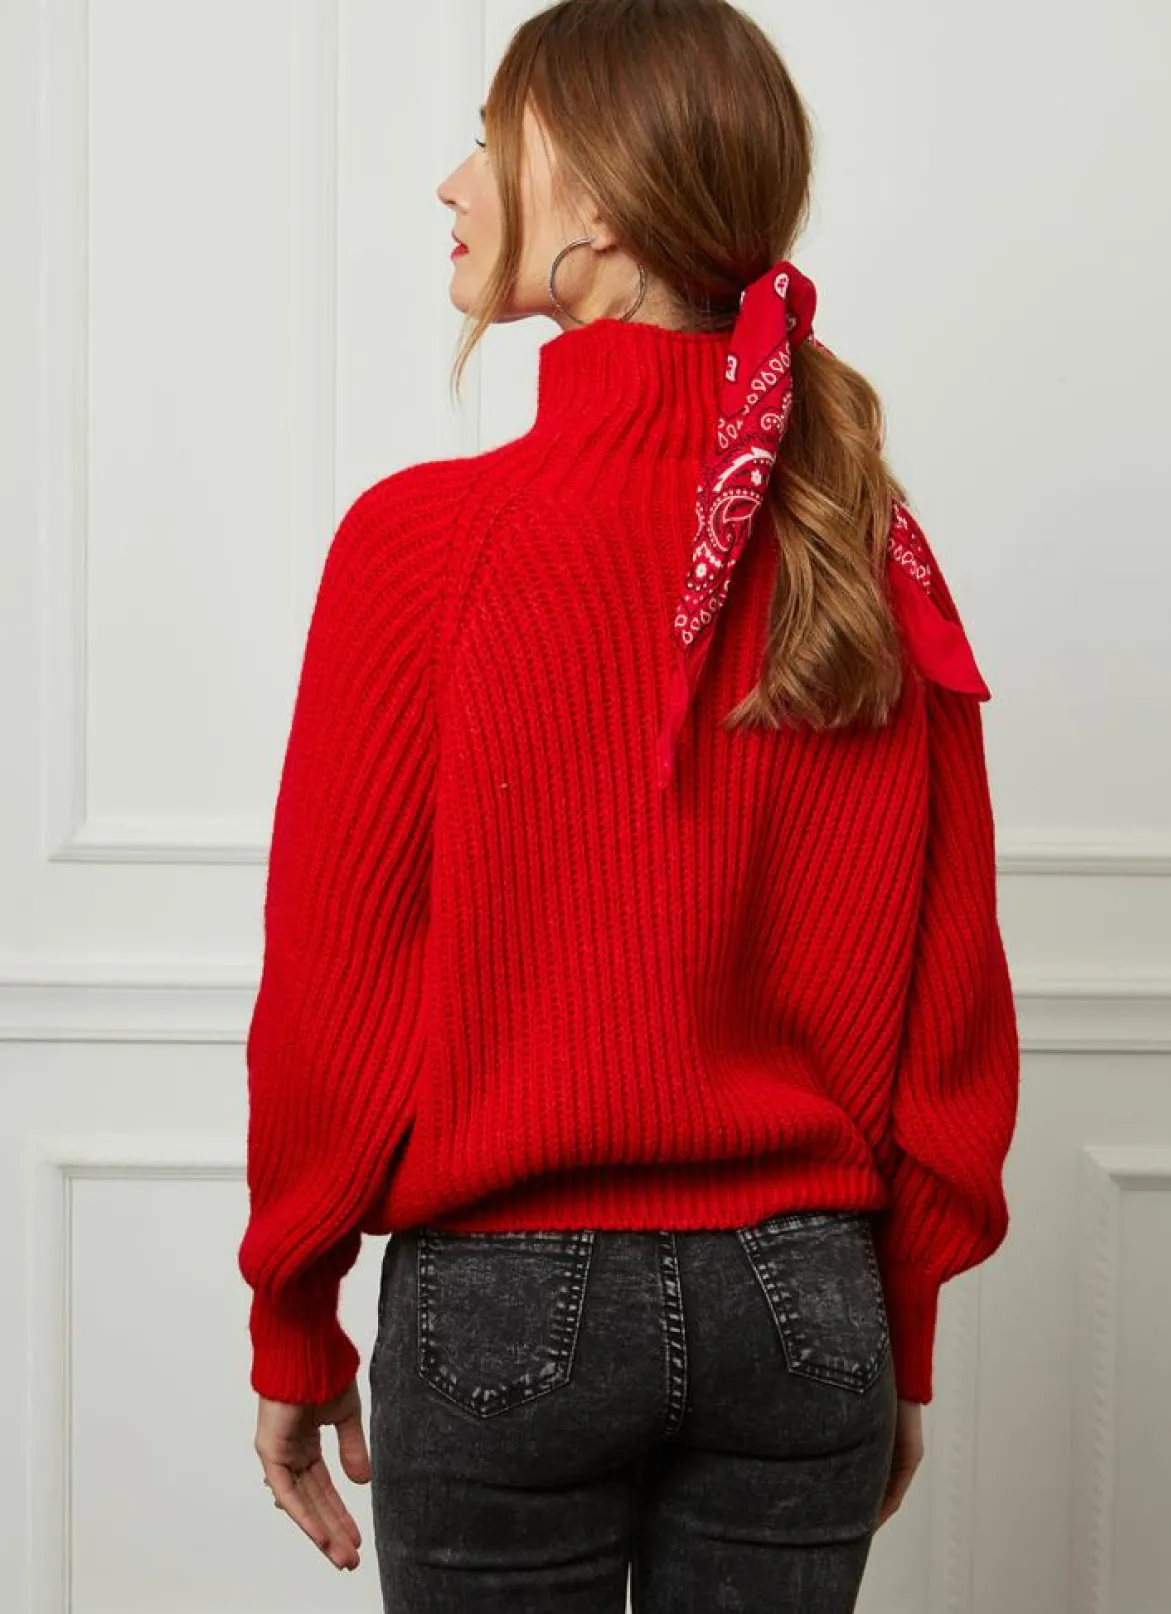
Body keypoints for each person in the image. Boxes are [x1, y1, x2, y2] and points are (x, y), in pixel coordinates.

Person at [238, 2, 1020, 1608]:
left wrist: (294, 1318)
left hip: (501, 1305)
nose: (451, 182)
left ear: (594, 203)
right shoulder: (862, 545)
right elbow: (947, 988)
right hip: (808, 1308)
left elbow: (336, 995)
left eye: (489, 141)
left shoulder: (423, 550)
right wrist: (899, 1335)